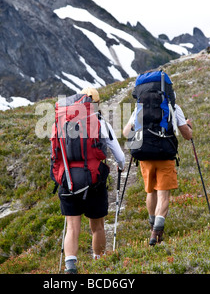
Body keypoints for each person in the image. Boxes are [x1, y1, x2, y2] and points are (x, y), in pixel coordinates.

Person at [58, 87, 125, 274]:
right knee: (97, 227)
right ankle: (99, 263)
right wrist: (121, 166)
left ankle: (70, 266)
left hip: (68, 180)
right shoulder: (100, 122)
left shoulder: (62, 122)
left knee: (72, 227)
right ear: (95, 104)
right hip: (93, 181)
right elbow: (119, 156)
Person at [123, 93, 192, 246]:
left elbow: (126, 132)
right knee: (164, 195)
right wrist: (189, 126)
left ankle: (152, 224)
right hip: (165, 155)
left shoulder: (139, 107)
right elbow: (186, 135)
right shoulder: (173, 107)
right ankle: (156, 232)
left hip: (145, 154)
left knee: (151, 191)